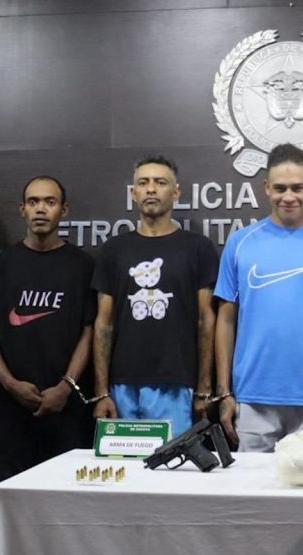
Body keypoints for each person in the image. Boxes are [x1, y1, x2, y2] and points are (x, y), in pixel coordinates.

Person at [214, 143, 303, 452]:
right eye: (280, 188)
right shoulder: (241, 243)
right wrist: (225, 392)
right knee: (253, 495)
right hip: (251, 397)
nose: (289, 196)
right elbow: (225, 319)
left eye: (297, 188)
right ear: (266, 188)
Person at [0, 176, 96, 481]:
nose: (41, 209)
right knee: (15, 497)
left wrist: (65, 387)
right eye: (33, 202)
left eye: (50, 202)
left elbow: (90, 332)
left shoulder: (84, 266)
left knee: (68, 496)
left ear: (64, 210)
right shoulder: (0, 266)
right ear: (22, 209)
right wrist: (10, 383)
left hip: (67, 407)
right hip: (11, 409)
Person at [91, 156, 218, 436]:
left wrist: (204, 387)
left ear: (176, 193)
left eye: (160, 182)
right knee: (123, 472)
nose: (151, 189)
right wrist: (101, 392)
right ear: (133, 193)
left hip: (175, 382)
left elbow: (205, 321)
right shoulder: (114, 250)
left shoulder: (198, 248)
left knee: (170, 471)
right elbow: (103, 324)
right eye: (143, 183)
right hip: (121, 385)